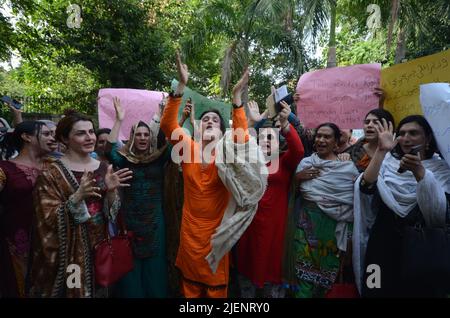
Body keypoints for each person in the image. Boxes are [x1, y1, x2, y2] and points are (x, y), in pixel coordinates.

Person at [160, 52, 267, 298]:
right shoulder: (188, 148)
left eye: (214, 121)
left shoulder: (227, 153)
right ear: (199, 128)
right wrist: (181, 87)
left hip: (218, 234)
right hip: (189, 233)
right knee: (190, 290)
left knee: (216, 290)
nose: (209, 121)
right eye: (205, 119)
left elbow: (241, 137)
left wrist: (237, 98)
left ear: (221, 130)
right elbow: (168, 125)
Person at [27, 110, 132, 298]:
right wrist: (77, 197)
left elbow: (112, 214)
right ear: (65, 139)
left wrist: (111, 192)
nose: (89, 137)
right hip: (68, 254)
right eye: (81, 133)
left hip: (99, 249)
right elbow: (45, 218)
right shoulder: (51, 173)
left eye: (91, 132)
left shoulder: (102, 167)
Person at [353, 115, 450, 297]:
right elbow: (365, 188)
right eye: (402, 133)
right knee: (376, 290)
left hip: (422, 251)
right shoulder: (388, 162)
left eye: (413, 133)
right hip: (382, 246)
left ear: (428, 138)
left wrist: (422, 175)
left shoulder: (442, 170)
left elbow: (440, 216)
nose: (406, 138)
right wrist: (381, 151)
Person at [236, 100, 304, 298]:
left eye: (270, 139)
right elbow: (236, 143)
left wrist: (285, 126)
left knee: (271, 272)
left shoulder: (284, 162)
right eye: (262, 138)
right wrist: (255, 123)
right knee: (247, 270)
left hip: (275, 228)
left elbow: (299, 151)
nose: (266, 141)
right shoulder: (247, 161)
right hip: (248, 225)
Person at [106, 96, 171, 298]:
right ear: (132, 138)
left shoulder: (159, 158)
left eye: (146, 134)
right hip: (130, 217)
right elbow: (109, 149)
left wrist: (166, 116)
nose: (142, 138)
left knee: (155, 264)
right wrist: (118, 120)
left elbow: (174, 142)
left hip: (155, 219)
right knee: (131, 262)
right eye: (138, 135)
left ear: (150, 137)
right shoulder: (123, 159)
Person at [293, 123, 359, 298]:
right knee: (302, 284)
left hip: (333, 234)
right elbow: (290, 197)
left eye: (327, 137)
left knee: (326, 286)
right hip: (305, 231)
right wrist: (297, 180)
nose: (321, 140)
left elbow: (351, 207)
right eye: (318, 136)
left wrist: (349, 242)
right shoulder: (305, 164)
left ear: (336, 142)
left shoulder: (347, 169)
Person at [0, 121, 56, 297]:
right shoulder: (5, 169)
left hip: (52, 240)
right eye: (46, 134)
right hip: (16, 242)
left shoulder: (56, 166)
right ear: (27, 137)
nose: (52, 138)